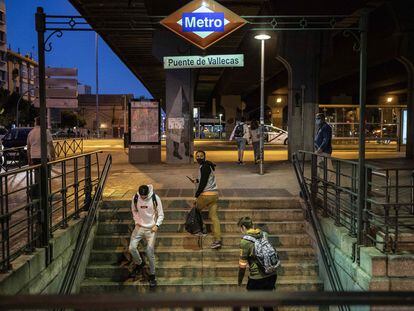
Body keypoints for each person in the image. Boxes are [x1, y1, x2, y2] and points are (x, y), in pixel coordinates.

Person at [237, 217, 277, 311]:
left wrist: (239, 280)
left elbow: (242, 265)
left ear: (243, 227)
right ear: (252, 225)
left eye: (240, 228)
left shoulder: (245, 242)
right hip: (271, 274)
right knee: (267, 305)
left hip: (257, 278)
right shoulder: (264, 234)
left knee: (254, 306)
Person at [129, 184, 164, 288]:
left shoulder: (155, 198)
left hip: (151, 228)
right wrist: (136, 221)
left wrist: (157, 225)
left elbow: (161, 214)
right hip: (139, 227)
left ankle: (152, 275)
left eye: (144, 196)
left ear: (148, 193)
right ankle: (140, 264)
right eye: (141, 196)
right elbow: (134, 210)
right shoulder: (135, 197)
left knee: (149, 251)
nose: (143, 198)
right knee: (132, 248)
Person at [191, 150, 221, 249]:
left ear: (204, 157)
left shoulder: (204, 167)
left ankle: (199, 231)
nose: (199, 158)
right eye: (197, 156)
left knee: (195, 210)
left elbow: (203, 184)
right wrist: (196, 180)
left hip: (206, 195)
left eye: (201, 156)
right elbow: (205, 179)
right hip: (215, 195)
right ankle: (217, 240)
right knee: (214, 217)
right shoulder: (207, 166)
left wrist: (196, 196)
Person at [314, 113, 334, 183]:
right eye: (316, 118)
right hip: (319, 150)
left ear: (322, 119)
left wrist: (321, 148)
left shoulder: (326, 127)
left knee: (328, 165)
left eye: (318, 118)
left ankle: (330, 180)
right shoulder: (321, 127)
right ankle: (319, 177)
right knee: (318, 164)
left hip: (324, 150)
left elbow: (326, 139)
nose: (316, 120)